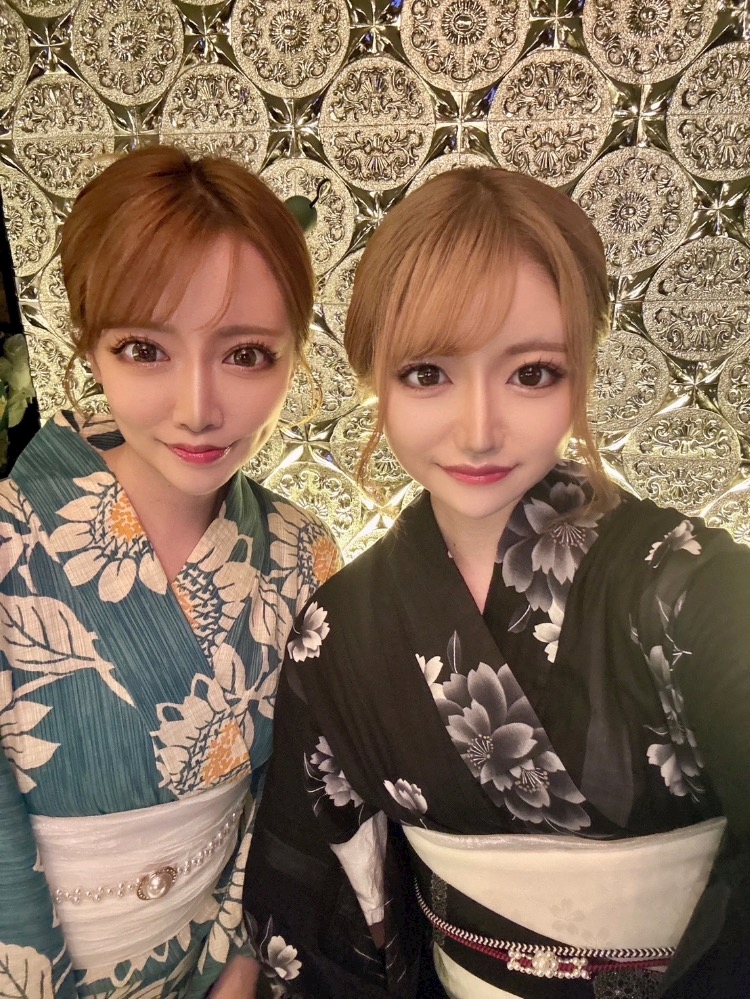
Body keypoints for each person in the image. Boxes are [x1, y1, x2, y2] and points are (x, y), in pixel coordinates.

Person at [242, 167, 750, 999]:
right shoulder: (339, 628)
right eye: (428, 373)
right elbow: (314, 897)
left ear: (584, 369)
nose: (478, 430)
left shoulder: (686, 587)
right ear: (373, 376)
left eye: (533, 373)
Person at [0, 146, 340, 999]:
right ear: (90, 347)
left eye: (247, 354)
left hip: (209, 966)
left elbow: (280, 803)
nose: (198, 408)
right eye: (144, 349)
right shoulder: (9, 537)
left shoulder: (303, 553)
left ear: (295, 354)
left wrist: (238, 965)